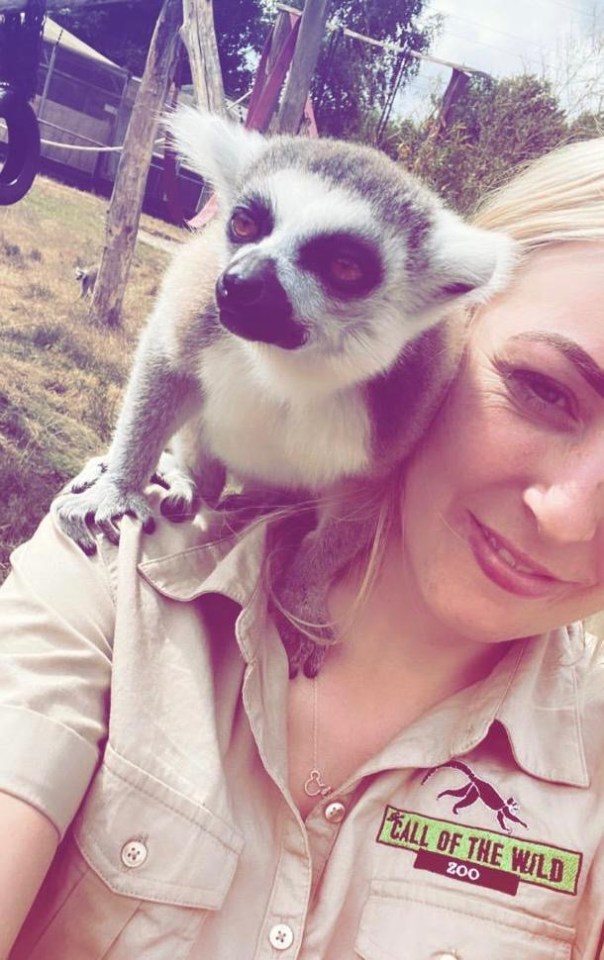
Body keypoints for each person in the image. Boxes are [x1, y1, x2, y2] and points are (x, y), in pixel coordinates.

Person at [1, 136, 604, 960]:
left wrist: (312, 581)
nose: (566, 517)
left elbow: (356, 490)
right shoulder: (120, 580)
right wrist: (132, 479)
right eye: (542, 389)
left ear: (434, 298)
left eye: (346, 270)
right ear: (463, 321)